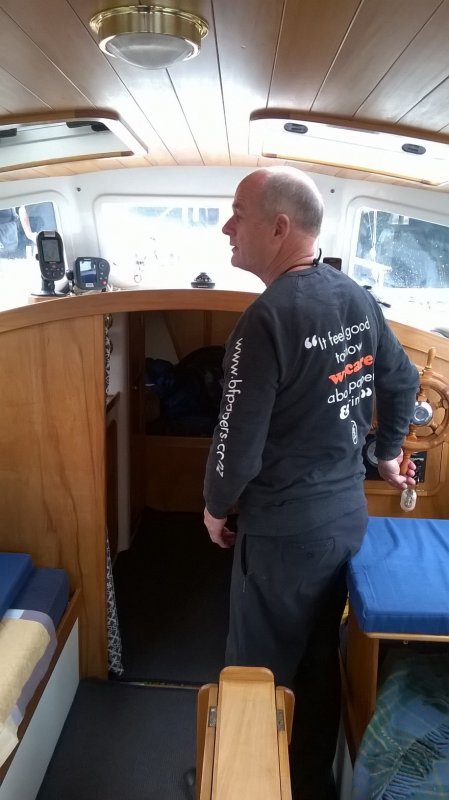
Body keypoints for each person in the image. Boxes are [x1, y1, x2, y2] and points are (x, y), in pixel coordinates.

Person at [202, 166, 420, 800]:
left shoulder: (263, 322)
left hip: (282, 537)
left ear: (279, 227)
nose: (226, 227)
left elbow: (235, 446)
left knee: (255, 674)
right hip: (344, 522)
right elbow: (402, 380)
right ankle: (310, 784)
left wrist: (216, 507)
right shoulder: (356, 297)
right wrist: (386, 456)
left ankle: (246, 785)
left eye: (238, 214)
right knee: (320, 659)